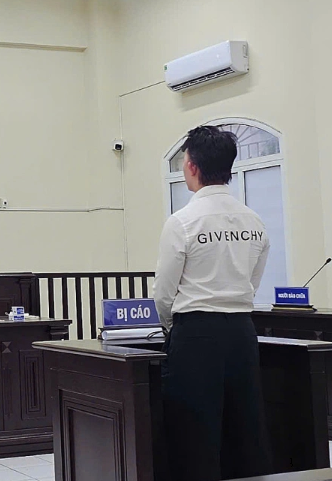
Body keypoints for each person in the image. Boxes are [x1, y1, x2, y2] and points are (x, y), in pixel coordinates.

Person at [153, 125, 271, 481]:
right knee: (244, 430)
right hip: (242, 333)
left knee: (194, 433)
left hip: (195, 335)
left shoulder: (182, 222)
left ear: (192, 166)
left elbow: (164, 293)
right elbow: (252, 282)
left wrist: (174, 329)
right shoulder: (254, 221)